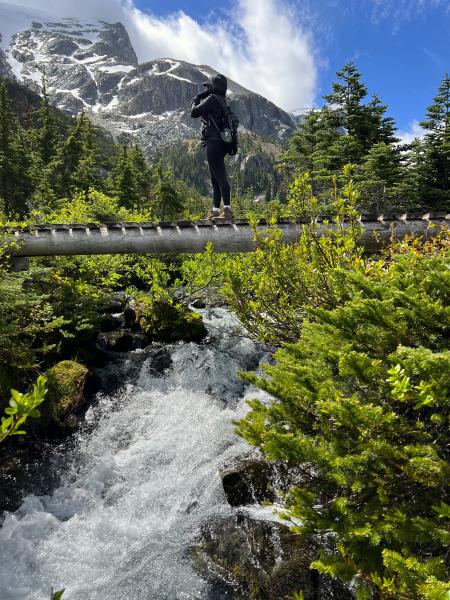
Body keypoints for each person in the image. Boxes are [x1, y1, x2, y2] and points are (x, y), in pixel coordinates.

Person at [191, 73, 233, 221]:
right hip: (220, 143)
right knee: (215, 178)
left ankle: (227, 211)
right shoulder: (222, 101)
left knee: (220, 177)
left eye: (208, 86)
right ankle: (216, 211)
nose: (206, 89)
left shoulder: (212, 99)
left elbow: (194, 112)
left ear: (213, 86)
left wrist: (197, 97)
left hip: (212, 142)